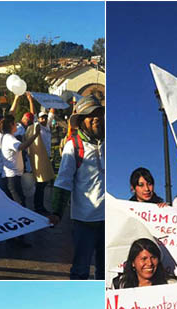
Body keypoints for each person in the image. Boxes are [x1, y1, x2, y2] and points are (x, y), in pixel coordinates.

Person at [49, 95, 105, 280]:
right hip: (84, 221)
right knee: (80, 270)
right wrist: (56, 212)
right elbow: (63, 180)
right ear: (81, 121)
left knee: (106, 272)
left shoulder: (108, 143)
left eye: (98, 113)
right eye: (90, 115)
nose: (96, 117)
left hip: (109, 221)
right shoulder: (74, 146)